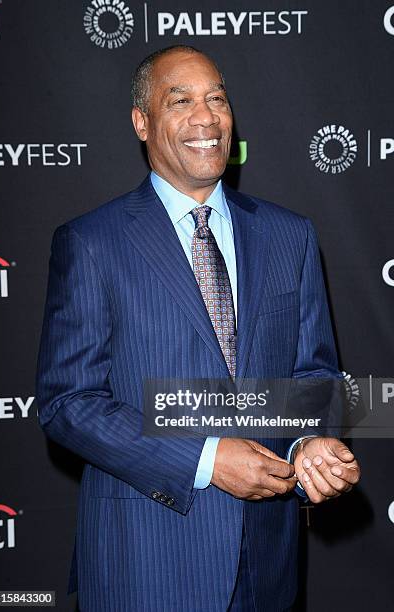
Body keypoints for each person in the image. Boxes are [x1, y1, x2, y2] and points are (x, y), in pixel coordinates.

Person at [36, 45, 360, 612]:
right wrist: (207, 460)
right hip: (146, 562)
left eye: (217, 98)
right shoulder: (92, 242)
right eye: (180, 100)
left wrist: (311, 439)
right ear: (141, 121)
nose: (205, 117)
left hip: (268, 563)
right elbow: (69, 403)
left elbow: (314, 370)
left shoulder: (291, 235)